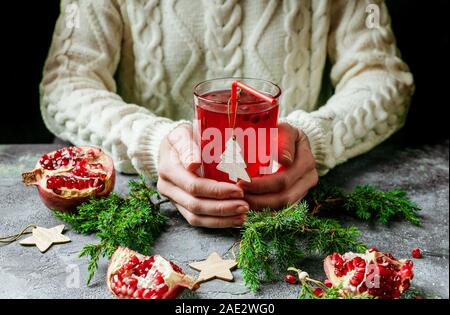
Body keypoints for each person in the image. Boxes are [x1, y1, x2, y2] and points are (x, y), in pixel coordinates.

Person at [40, 0, 413, 228]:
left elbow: (381, 75)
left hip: (300, 212)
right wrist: (151, 142)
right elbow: (67, 82)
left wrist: (317, 137)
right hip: (147, 209)